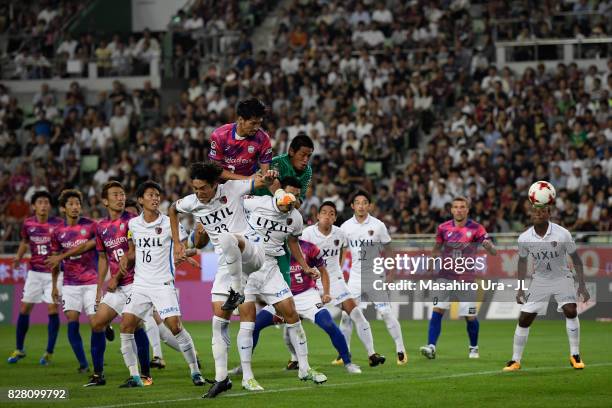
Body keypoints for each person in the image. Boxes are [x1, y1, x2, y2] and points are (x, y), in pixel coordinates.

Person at [169, 161, 276, 397]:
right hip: (225, 266)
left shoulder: (232, 188)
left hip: (252, 251)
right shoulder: (192, 202)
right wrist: (178, 241)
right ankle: (221, 378)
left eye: (203, 188)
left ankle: (237, 291)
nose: (199, 193)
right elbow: (173, 210)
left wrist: (269, 177)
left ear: (215, 184)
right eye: (195, 188)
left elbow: (261, 181)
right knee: (218, 323)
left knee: (227, 237)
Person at [241, 177, 327, 386]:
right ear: (279, 193)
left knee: (292, 313)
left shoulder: (295, 218)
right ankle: (247, 377)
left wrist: (306, 267)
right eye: (291, 194)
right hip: (246, 267)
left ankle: (304, 369)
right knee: (248, 322)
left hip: (270, 267)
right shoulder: (257, 203)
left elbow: (293, 242)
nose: (294, 199)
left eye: (298, 196)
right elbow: (232, 202)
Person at [117, 181, 203, 388]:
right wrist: (125, 258)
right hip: (140, 285)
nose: (155, 198)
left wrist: (194, 242)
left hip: (163, 284)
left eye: (157, 195)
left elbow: (186, 243)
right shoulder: (133, 225)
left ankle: (195, 371)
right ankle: (135, 376)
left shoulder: (168, 222)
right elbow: (133, 249)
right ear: (140, 200)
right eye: (150, 195)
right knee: (126, 326)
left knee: (175, 327)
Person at [252, 238, 362, 374]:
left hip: (306, 296)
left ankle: (348, 362)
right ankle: (244, 367)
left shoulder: (309, 248)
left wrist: (326, 293)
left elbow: (323, 271)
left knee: (328, 324)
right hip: (282, 296)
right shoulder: (270, 248)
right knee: (254, 326)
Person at [503, 204, 589, 371]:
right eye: (535, 211)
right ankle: (515, 360)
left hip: (562, 277)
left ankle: (575, 355)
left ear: (549, 213)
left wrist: (582, 285)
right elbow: (522, 261)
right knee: (524, 319)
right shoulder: (524, 238)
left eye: (543, 211)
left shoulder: (562, 233)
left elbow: (576, 258)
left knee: (571, 310)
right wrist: (520, 288)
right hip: (540, 280)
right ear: (531, 215)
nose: (539, 214)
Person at [302, 201, 385, 367]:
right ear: (317, 216)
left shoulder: (340, 234)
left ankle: (371, 354)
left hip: (335, 281)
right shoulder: (307, 234)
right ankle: (295, 359)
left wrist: (337, 270)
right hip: (311, 282)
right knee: (292, 319)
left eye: (331, 213)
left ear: (335, 217)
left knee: (356, 314)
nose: (327, 216)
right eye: (324, 212)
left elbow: (343, 250)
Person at [420, 197, 497, 360]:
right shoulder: (443, 228)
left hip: (466, 278)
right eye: (456, 207)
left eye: (462, 207)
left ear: (467, 210)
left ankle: (474, 348)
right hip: (445, 276)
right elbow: (436, 247)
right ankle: (431, 346)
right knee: (437, 309)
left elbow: (492, 250)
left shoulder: (476, 228)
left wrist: (490, 247)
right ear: (452, 210)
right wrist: (432, 261)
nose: (459, 210)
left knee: (470, 316)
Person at [340, 190, 408, 365]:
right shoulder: (345, 227)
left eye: (364, 202)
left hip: (375, 275)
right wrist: (339, 273)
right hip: (355, 277)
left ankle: (400, 349)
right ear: (352, 206)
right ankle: (344, 352)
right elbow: (342, 250)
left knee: (385, 312)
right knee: (347, 315)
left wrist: (391, 272)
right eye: (358, 202)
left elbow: (389, 249)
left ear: (369, 206)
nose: (361, 206)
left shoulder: (378, 226)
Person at [8, 191, 63, 365]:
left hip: (54, 273)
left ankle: (49, 352)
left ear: (50, 206)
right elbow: (25, 242)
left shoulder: (58, 224)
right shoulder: (28, 223)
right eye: (40, 202)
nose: (44, 205)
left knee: (52, 310)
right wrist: (18, 257)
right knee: (24, 309)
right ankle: (19, 349)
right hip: (34, 272)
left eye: (46, 202)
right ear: (33, 206)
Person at [49, 190, 98, 373]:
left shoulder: (92, 226)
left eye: (77, 203)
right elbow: (54, 261)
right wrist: (55, 285)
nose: (75, 207)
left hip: (91, 281)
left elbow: (92, 248)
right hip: (69, 284)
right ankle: (84, 364)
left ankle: (97, 363)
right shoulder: (57, 232)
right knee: (72, 320)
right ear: (63, 208)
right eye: (70, 204)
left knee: (95, 323)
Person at [208, 97, 272, 179]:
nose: (256, 128)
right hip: (222, 185)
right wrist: (246, 179)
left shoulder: (263, 138)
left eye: (259, 123)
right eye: (253, 123)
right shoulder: (219, 135)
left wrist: (268, 177)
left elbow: (265, 172)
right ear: (241, 119)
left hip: (249, 187)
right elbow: (215, 170)